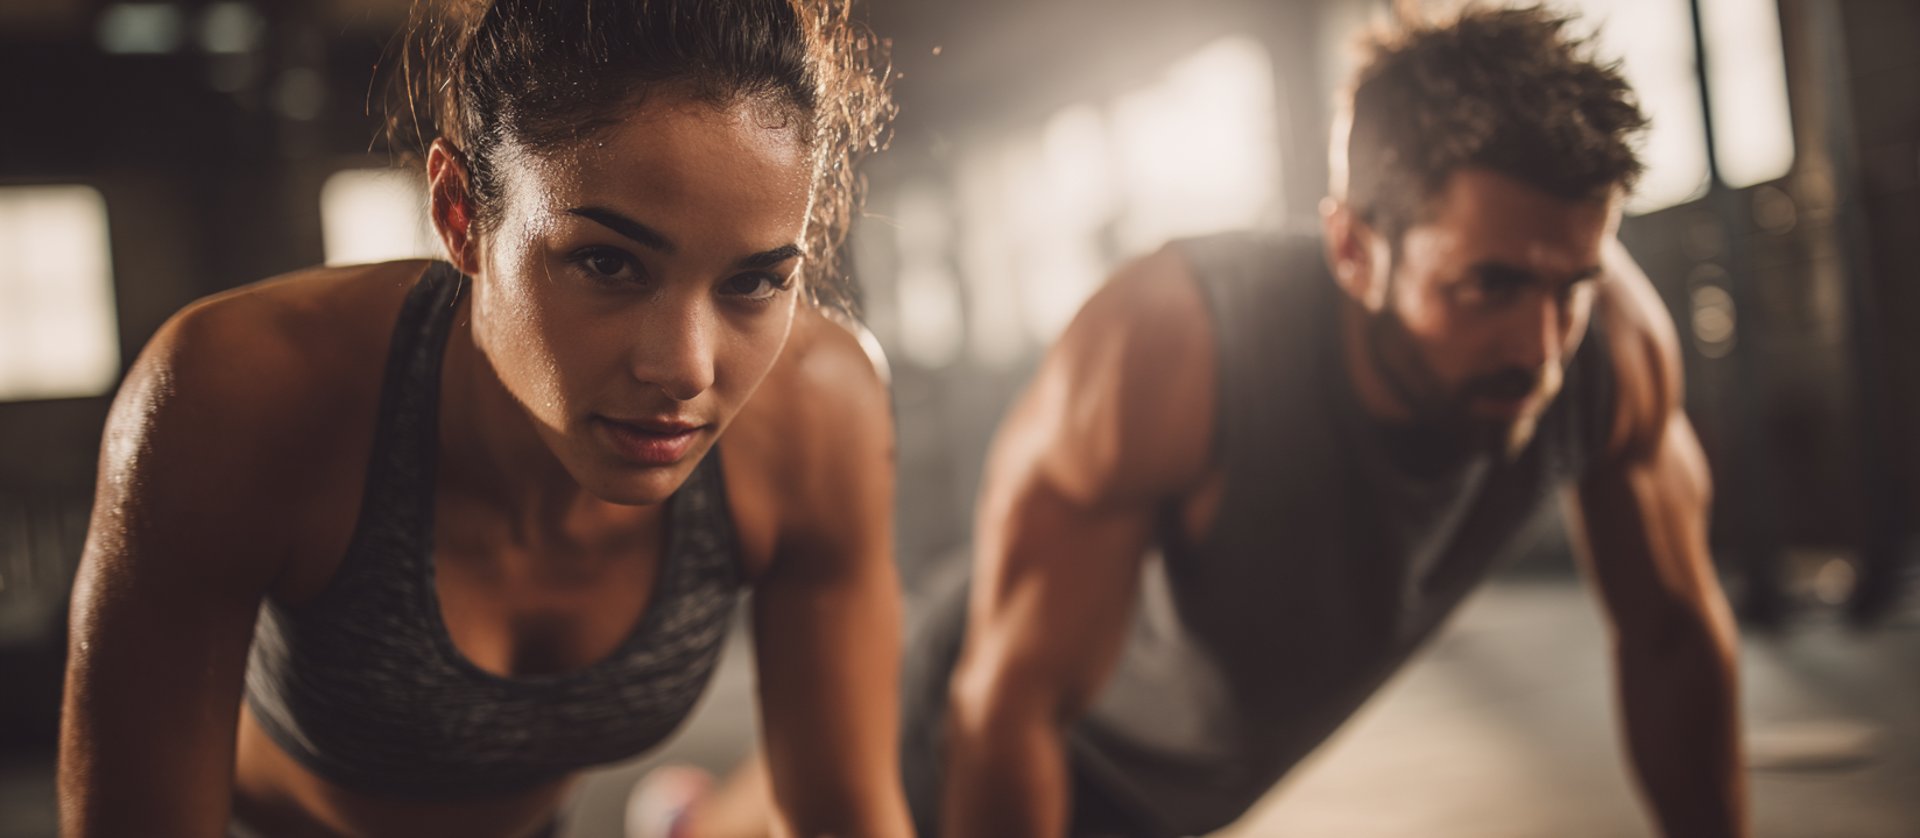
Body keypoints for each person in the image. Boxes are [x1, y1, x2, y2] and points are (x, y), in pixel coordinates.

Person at [57, 1, 911, 836]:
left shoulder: (818, 412)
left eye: (756, 281)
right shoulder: (242, 391)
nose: (685, 368)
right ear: (460, 214)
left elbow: (847, 813)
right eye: (607, 262)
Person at [910, 6, 1748, 837]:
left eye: (1571, 286)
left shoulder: (1615, 349)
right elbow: (1009, 707)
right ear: (1353, 250)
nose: (1540, 349)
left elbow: (1671, 635)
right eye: (1487, 284)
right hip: (954, 759)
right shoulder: (1176, 344)